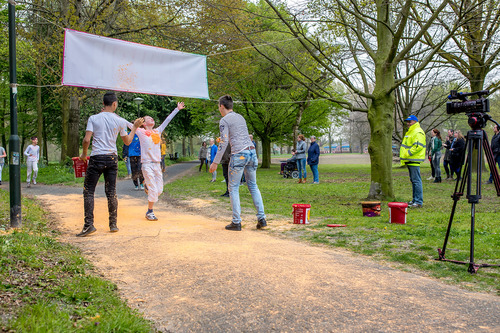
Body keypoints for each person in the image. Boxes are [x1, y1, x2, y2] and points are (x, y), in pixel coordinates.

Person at [77, 92, 142, 237]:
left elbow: (86, 140)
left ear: (103, 103)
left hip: (96, 157)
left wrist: (83, 154)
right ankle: (113, 224)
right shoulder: (119, 121)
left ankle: (89, 225)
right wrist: (135, 128)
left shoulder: (93, 118)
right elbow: (127, 141)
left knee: (89, 191)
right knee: (111, 192)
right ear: (114, 104)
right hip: (112, 158)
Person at [209, 95, 266, 231]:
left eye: (218, 106)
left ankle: (236, 222)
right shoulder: (240, 117)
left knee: (233, 187)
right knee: (253, 185)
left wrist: (215, 162)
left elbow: (223, 142)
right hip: (252, 153)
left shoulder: (224, 120)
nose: (219, 108)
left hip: (239, 155)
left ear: (222, 106)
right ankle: (262, 219)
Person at [131, 102, 184, 221]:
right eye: (149, 118)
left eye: (152, 118)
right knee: (154, 190)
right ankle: (150, 212)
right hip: (147, 165)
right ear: (143, 123)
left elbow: (168, 119)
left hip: (157, 164)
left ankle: (147, 185)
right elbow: (127, 124)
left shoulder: (158, 131)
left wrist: (177, 109)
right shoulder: (140, 132)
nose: (152, 118)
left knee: (159, 190)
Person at [399, 115, 426, 208]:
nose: (408, 124)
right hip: (411, 159)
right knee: (414, 180)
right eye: (407, 122)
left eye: (410, 122)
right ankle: (415, 200)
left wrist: (407, 154)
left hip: (413, 159)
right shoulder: (412, 131)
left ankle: (418, 201)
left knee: (416, 180)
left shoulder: (417, 132)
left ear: (415, 122)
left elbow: (418, 146)